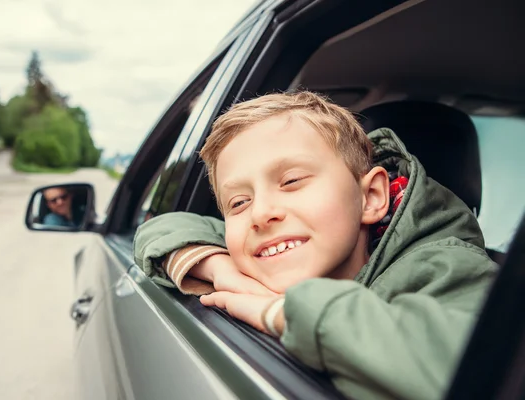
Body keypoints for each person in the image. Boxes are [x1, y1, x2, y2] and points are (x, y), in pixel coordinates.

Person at [133, 91, 497, 400]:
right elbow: (161, 227)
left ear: (370, 197)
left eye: (291, 180)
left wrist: (279, 312)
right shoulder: (252, 250)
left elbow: (473, 371)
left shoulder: (449, 266)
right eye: (238, 203)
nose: (260, 214)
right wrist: (221, 268)